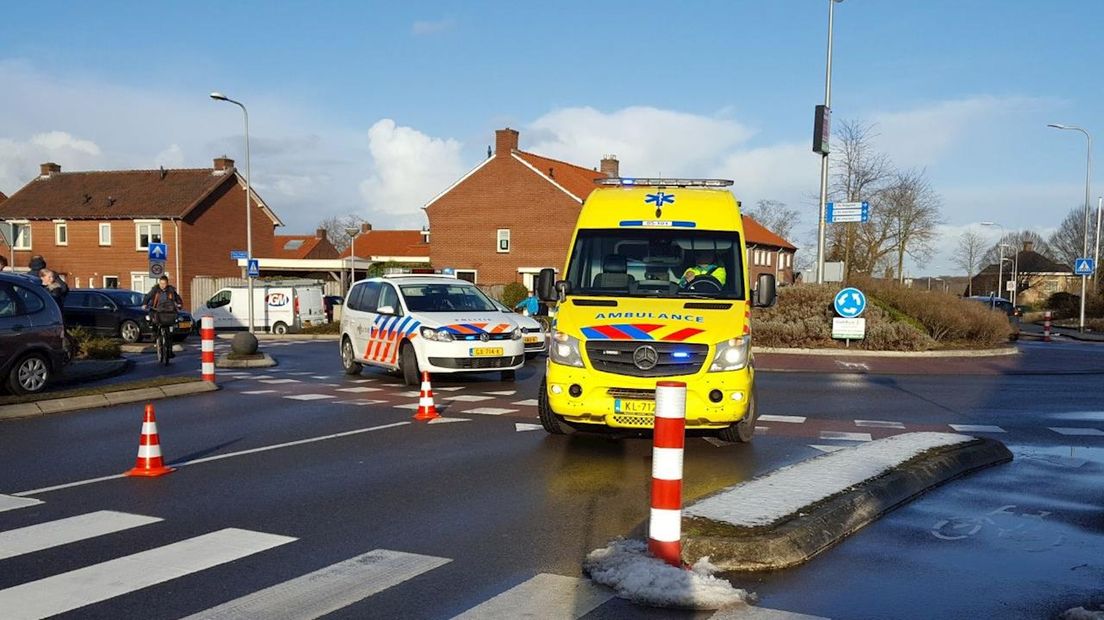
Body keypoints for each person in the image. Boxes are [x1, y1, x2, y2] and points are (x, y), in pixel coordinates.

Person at [143, 276, 182, 358]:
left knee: (169, 334)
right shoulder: (155, 290)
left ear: (167, 283)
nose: (162, 285)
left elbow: (177, 298)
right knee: (153, 322)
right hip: (158, 311)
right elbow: (148, 296)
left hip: (168, 313)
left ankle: (169, 351)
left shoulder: (171, 290)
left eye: (164, 283)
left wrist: (179, 304)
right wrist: (145, 303)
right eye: (161, 283)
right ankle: (156, 337)